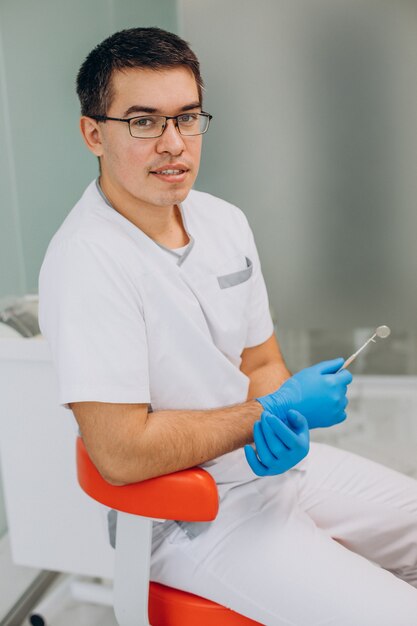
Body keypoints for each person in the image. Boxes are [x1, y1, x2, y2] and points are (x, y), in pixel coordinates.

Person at [38, 27, 417, 625]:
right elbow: (121, 452)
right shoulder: (88, 261)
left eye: (187, 118)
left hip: (272, 471)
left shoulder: (223, 221)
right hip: (189, 518)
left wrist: (282, 422)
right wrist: (263, 415)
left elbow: (261, 363)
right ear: (94, 133)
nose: (174, 144)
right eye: (144, 121)